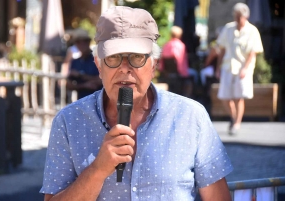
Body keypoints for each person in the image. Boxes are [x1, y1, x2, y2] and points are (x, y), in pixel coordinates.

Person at [40, 6, 233, 201]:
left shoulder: (191, 117)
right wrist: (98, 170)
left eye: (137, 57)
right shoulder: (68, 122)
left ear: (154, 64)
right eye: (114, 57)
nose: (125, 68)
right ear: (98, 65)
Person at [216, 3, 263, 135]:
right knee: (224, 97)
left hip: (243, 67)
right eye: (235, 16)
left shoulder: (252, 30)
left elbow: (253, 52)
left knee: (238, 97)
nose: (237, 19)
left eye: (239, 16)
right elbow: (222, 48)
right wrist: (218, 67)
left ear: (245, 16)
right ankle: (233, 116)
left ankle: (237, 123)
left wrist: (245, 69)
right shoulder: (228, 28)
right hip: (228, 65)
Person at [159, 26, 198, 96]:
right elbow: (181, 62)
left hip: (167, 73)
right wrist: (183, 73)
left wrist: (163, 71)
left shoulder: (166, 45)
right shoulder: (181, 45)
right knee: (194, 74)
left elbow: (161, 62)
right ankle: (190, 97)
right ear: (180, 35)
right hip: (179, 74)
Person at [65, 30, 102, 99]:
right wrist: (84, 85)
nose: (81, 44)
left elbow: (102, 80)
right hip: (82, 101)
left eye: (84, 41)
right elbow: (68, 85)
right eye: (78, 42)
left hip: (98, 100)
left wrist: (80, 75)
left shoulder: (97, 59)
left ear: (88, 42)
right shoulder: (75, 62)